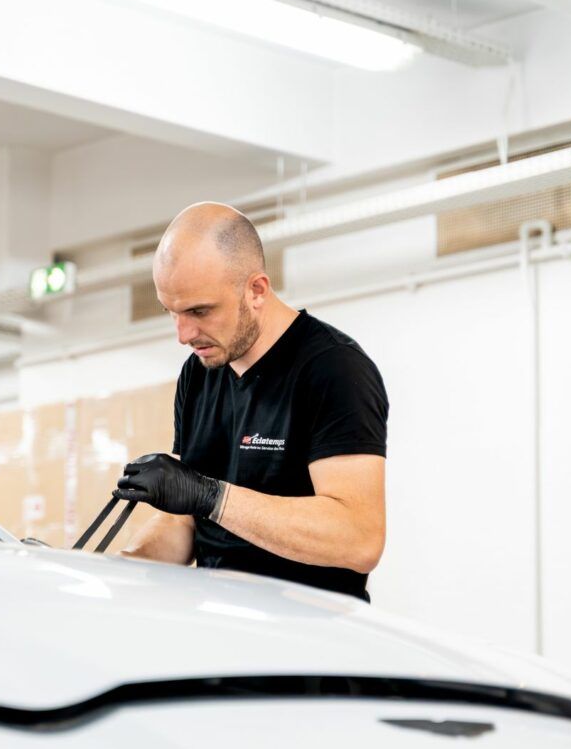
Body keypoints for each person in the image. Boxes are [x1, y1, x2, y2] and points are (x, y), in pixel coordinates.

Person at [117, 202, 388, 601]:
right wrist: (118, 573)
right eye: (171, 312)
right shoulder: (200, 372)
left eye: (199, 311)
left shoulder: (333, 368)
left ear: (256, 290)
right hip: (223, 623)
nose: (184, 334)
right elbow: (186, 523)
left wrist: (211, 495)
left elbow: (359, 539)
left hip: (307, 630)